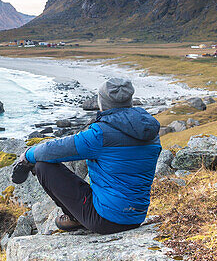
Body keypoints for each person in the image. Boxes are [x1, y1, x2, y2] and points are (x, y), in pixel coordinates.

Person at [11, 77, 161, 233]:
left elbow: (53, 149)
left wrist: (26, 156)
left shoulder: (100, 135)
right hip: (136, 216)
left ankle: (75, 218)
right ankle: (82, 216)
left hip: (105, 220)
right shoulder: (150, 131)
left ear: (102, 103)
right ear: (130, 100)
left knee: (43, 166)